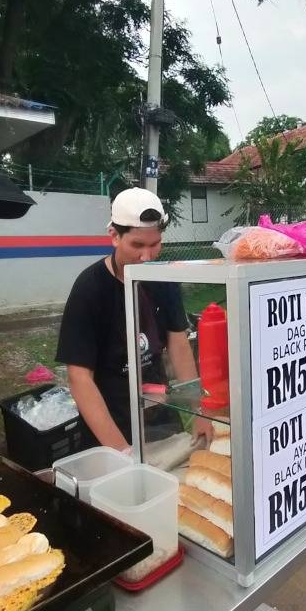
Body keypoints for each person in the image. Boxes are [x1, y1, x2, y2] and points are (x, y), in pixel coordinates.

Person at [55, 188, 210, 452]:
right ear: (114, 236)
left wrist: (198, 411)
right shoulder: (89, 289)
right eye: (137, 245)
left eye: (155, 244)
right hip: (109, 424)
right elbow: (79, 378)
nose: (147, 257)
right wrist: (121, 451)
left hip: (159, 417)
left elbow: (179, 346)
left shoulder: (164, 280)